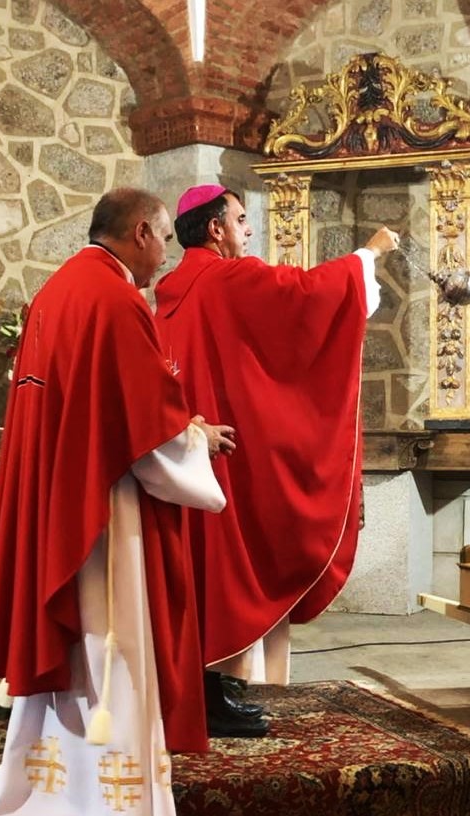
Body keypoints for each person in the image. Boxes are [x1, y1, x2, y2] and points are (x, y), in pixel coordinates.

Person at [0, 188, 226, 816]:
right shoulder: (113, 301)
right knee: (111, 671)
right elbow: (147, 435)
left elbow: (111, 408)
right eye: (164, 239)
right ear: (140, 230)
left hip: (63, 507)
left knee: (64, 683)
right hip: (101, 523)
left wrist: (184, 432)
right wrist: (199, 451)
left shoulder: (63, 288)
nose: (165, 253)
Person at [155, 184, 399, 737]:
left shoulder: (173, 288)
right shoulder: (228, 278)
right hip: (221, 452)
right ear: (215, 229)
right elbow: (307, 294)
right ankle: (210, 698)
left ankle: (207, 691)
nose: (249, 231)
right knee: (222, 570)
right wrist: (370, 253)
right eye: (241, 220)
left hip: (185, 450)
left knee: (200, 573)